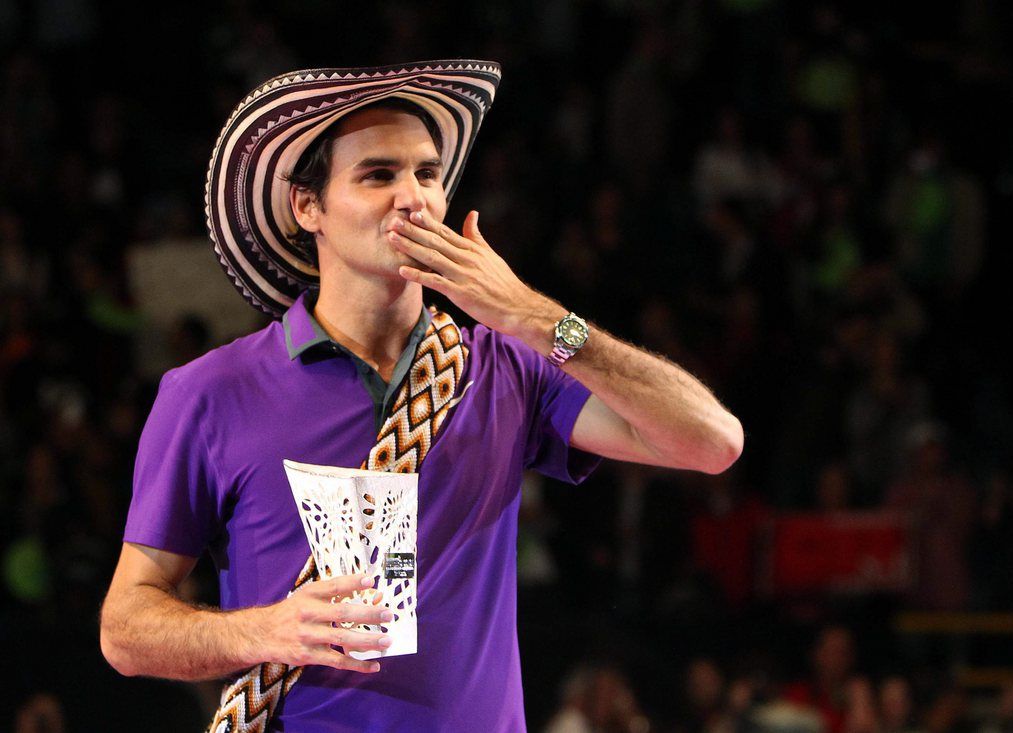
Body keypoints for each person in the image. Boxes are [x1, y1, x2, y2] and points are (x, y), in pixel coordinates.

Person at [99, 60, 743, 732]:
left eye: (428, 174)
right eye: (379, 175)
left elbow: (714, 441)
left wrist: (535, 316)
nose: (414, 197)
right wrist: (265, 630)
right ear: (307, 206)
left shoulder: (507, 366)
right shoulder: (211, 392)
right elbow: (126, 627)